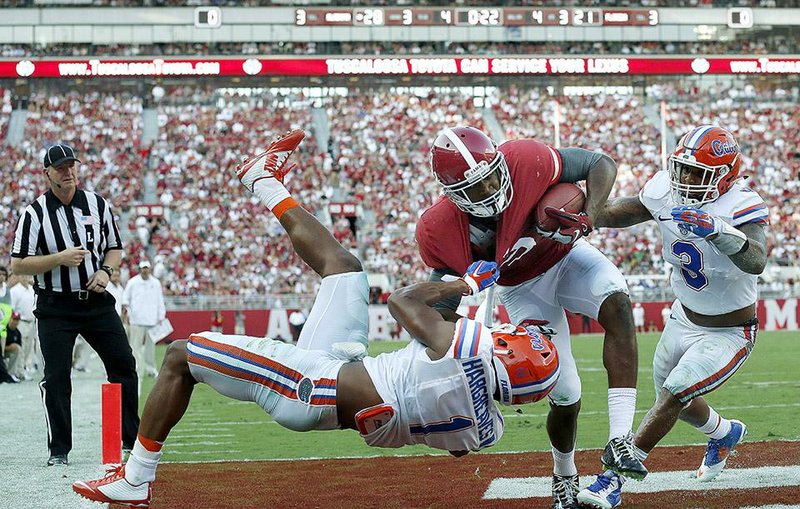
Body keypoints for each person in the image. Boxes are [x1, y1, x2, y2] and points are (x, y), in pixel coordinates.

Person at [72, 129, 561, 507]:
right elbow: (456, 445)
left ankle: (136, 480)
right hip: (339, 379)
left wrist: (466, 285)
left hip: (309, 385)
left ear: (506, 354)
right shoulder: (487, 429)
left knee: (180, 355)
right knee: (344, 270)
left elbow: (402, 302)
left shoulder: (469, 348)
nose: (511, 333)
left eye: (515, 339)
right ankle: (262, 179)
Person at [416, 126, 642, 508]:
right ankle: (564, 474)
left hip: (566, 257)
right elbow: (438, 312)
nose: (490, 193)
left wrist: (588, 216)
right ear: (452, 196)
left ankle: (619, 439)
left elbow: (598, 163)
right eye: (476, 190)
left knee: (617, 302)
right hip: (523, 288)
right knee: (566, 392)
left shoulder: (524, 159)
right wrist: (466, 323)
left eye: (491, 180)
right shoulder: (439, 229)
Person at [578, 125, 768, 508]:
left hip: (729, 331)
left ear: (726, 175)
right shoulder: (667, 189)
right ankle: (724, 433)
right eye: (682, 169)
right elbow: (624, 212)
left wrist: (721, 233)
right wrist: (586, 215)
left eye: (697, 173)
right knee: (674, 397)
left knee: (677, 390)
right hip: (683, 319)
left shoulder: (742, 204)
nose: (685, 179)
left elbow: (757, 260)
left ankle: (613, 479)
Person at [10, 143, 139, 466]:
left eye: (72, 166)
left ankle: (131, 441)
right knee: (56, 376)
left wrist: (106, 272)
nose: (68, 173)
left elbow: (114, 248)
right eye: (61, 168)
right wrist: (59, 259)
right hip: (55, 307)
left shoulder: (97, 204)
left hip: (96, 302)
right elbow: (18, 265)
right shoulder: (34, 213)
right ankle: (59, 450)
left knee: (124, 365)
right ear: (47, 173)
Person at [122, 260, 166, 379]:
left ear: (150, 269)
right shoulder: (133, 282)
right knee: (135, 346)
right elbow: (125, 300)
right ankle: (135, 368)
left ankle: (151, 369)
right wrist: (130, 314)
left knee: (150, 348)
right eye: (143, 268)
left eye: (146, 268)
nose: (145, 270)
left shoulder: (156, 283)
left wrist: (161, 316)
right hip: (136, 320)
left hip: (152, 320)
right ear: (140, 269)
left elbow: (160, 300)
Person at [9, 274, 39, 378]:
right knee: (21, 346)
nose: (25, 277)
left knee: (29, 347)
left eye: (27, 275)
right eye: (23, 276)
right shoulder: (15, 291)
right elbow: (12, 307)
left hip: (31, 321)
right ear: (19, 277)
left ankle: (25, 367)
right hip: (20, 321)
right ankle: (19, 371)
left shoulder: (32, 290)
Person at [3, 312, 23, 377]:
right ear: (10, 319)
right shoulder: (4, 329)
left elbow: (19, 347)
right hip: (2, 350)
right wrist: (8, 347)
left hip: (8, 352)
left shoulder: (18, 333)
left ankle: (12, 373)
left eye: (17, 320)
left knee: (18, 350)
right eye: (14, 319)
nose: (15, 322)